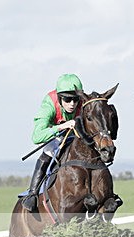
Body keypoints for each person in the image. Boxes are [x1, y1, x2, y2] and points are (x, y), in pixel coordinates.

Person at [22, 73, 83, 212]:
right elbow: (36, 137)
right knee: (48, 152)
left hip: (75, 137)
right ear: (59, 97)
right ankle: (33, 193)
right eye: (67, 99)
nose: (72, 104)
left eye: (75, 99)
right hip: (55, 136)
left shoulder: (83, 103)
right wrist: (61, 126)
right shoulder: (49, 104)